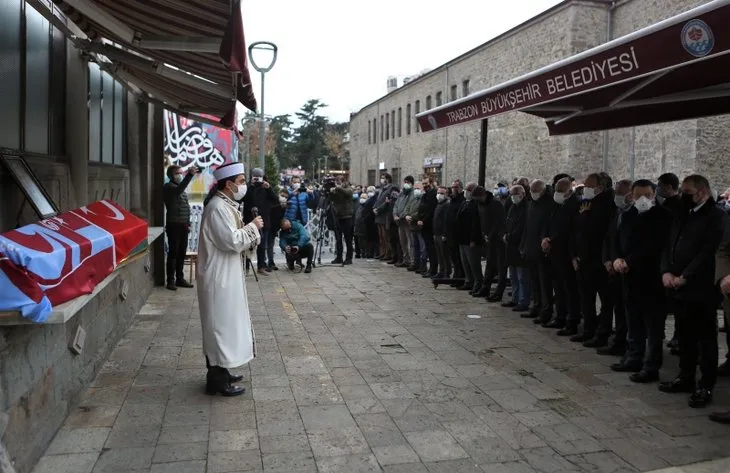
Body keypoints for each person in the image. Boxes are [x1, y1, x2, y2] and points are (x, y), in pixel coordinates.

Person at [196, 162, 264, 396]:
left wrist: (250, 231)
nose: (244, 186)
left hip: (226, 273)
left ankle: (223, 370)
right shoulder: (217, 208)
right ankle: (216, 380)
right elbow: (231, 241)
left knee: (226, 324)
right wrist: (253, 228)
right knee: (219, 326)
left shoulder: (225, 205)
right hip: (218, 277)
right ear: (229, 184)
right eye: (242, 181)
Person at [659, 174, 726, 408]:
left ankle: (705, 385)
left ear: (702, 193)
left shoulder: (716, 216)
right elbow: (669, 244)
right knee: (685, 335)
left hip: (701, 288)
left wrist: (685, 276)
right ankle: (685, 377)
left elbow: (709, 252)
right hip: (677, 285)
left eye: (687, 192)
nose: (682, 196)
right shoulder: (682, 214)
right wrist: (666, 271)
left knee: (705, 339)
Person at [163, 164, 198, 291]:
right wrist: (189, 175)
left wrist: (187, 224)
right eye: (178, 173)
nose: (180, 175)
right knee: (173, 253)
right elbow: (178, 191)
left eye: (181, 173)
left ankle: (180, 278)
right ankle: (170, 280)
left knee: (181, 253)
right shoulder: (169, 188)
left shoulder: (179, 189)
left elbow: (185, 208)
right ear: (171, 175)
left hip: (183, 225)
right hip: (174, 226)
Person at [242, 168, 278, 275]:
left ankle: (261, 266)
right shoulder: (248, 187)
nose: (257, 180)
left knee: (262, 245)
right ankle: (246, 267)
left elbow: (275, 201)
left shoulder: (266, 187)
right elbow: (242, 199)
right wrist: (250, 186)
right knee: (248, 244)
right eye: (255, 177)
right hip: (250, 220)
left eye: (259, 177)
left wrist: (269, 188)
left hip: (264, 221)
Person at [329, 179, 355, 264]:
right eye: (339, 182)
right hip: (338, 216)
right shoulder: (338, 191)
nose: (341, 184)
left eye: (342, 182)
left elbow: (348, 193)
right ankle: (339, 257)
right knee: (338, 238)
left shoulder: (349, 189)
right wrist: (330, 192)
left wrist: (338, 188)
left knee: (348, 239)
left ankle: (349, 258)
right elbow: (332, 199)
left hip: (347, 217)